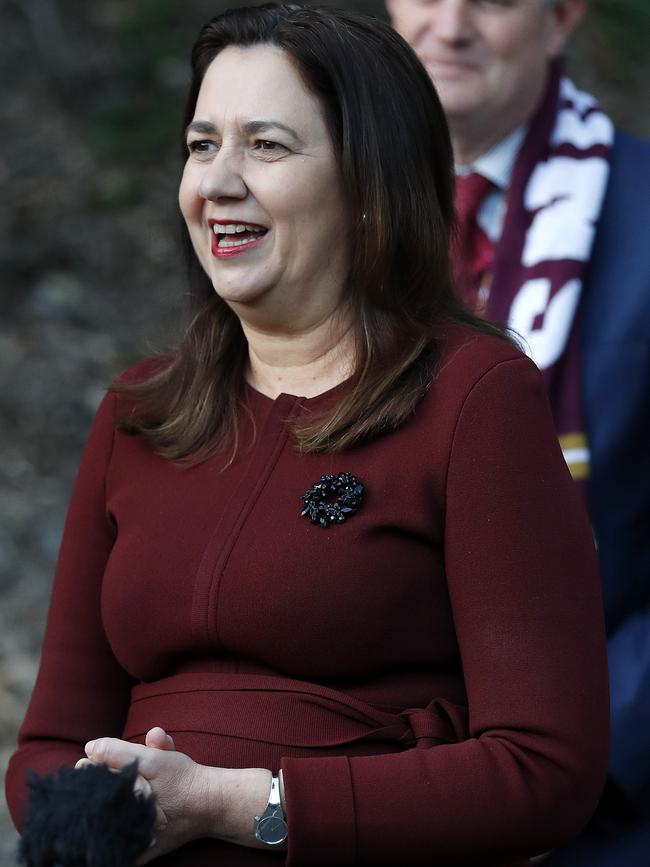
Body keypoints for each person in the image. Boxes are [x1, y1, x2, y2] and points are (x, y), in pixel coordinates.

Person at [5, 4, 609, 865]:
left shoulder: (475, 400)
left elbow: (544, 769)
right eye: (202, 143)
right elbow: (49, 743)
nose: (217, 181)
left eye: (267, 145)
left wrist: (236, 804)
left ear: (370, 184)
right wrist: (104, 813)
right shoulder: (140, 412)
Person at [386, 0, 650, 864]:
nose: (450, 27)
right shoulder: (315, 214)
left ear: (564, 14)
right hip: (347, 775)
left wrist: (557, 765)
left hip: (599, 801)